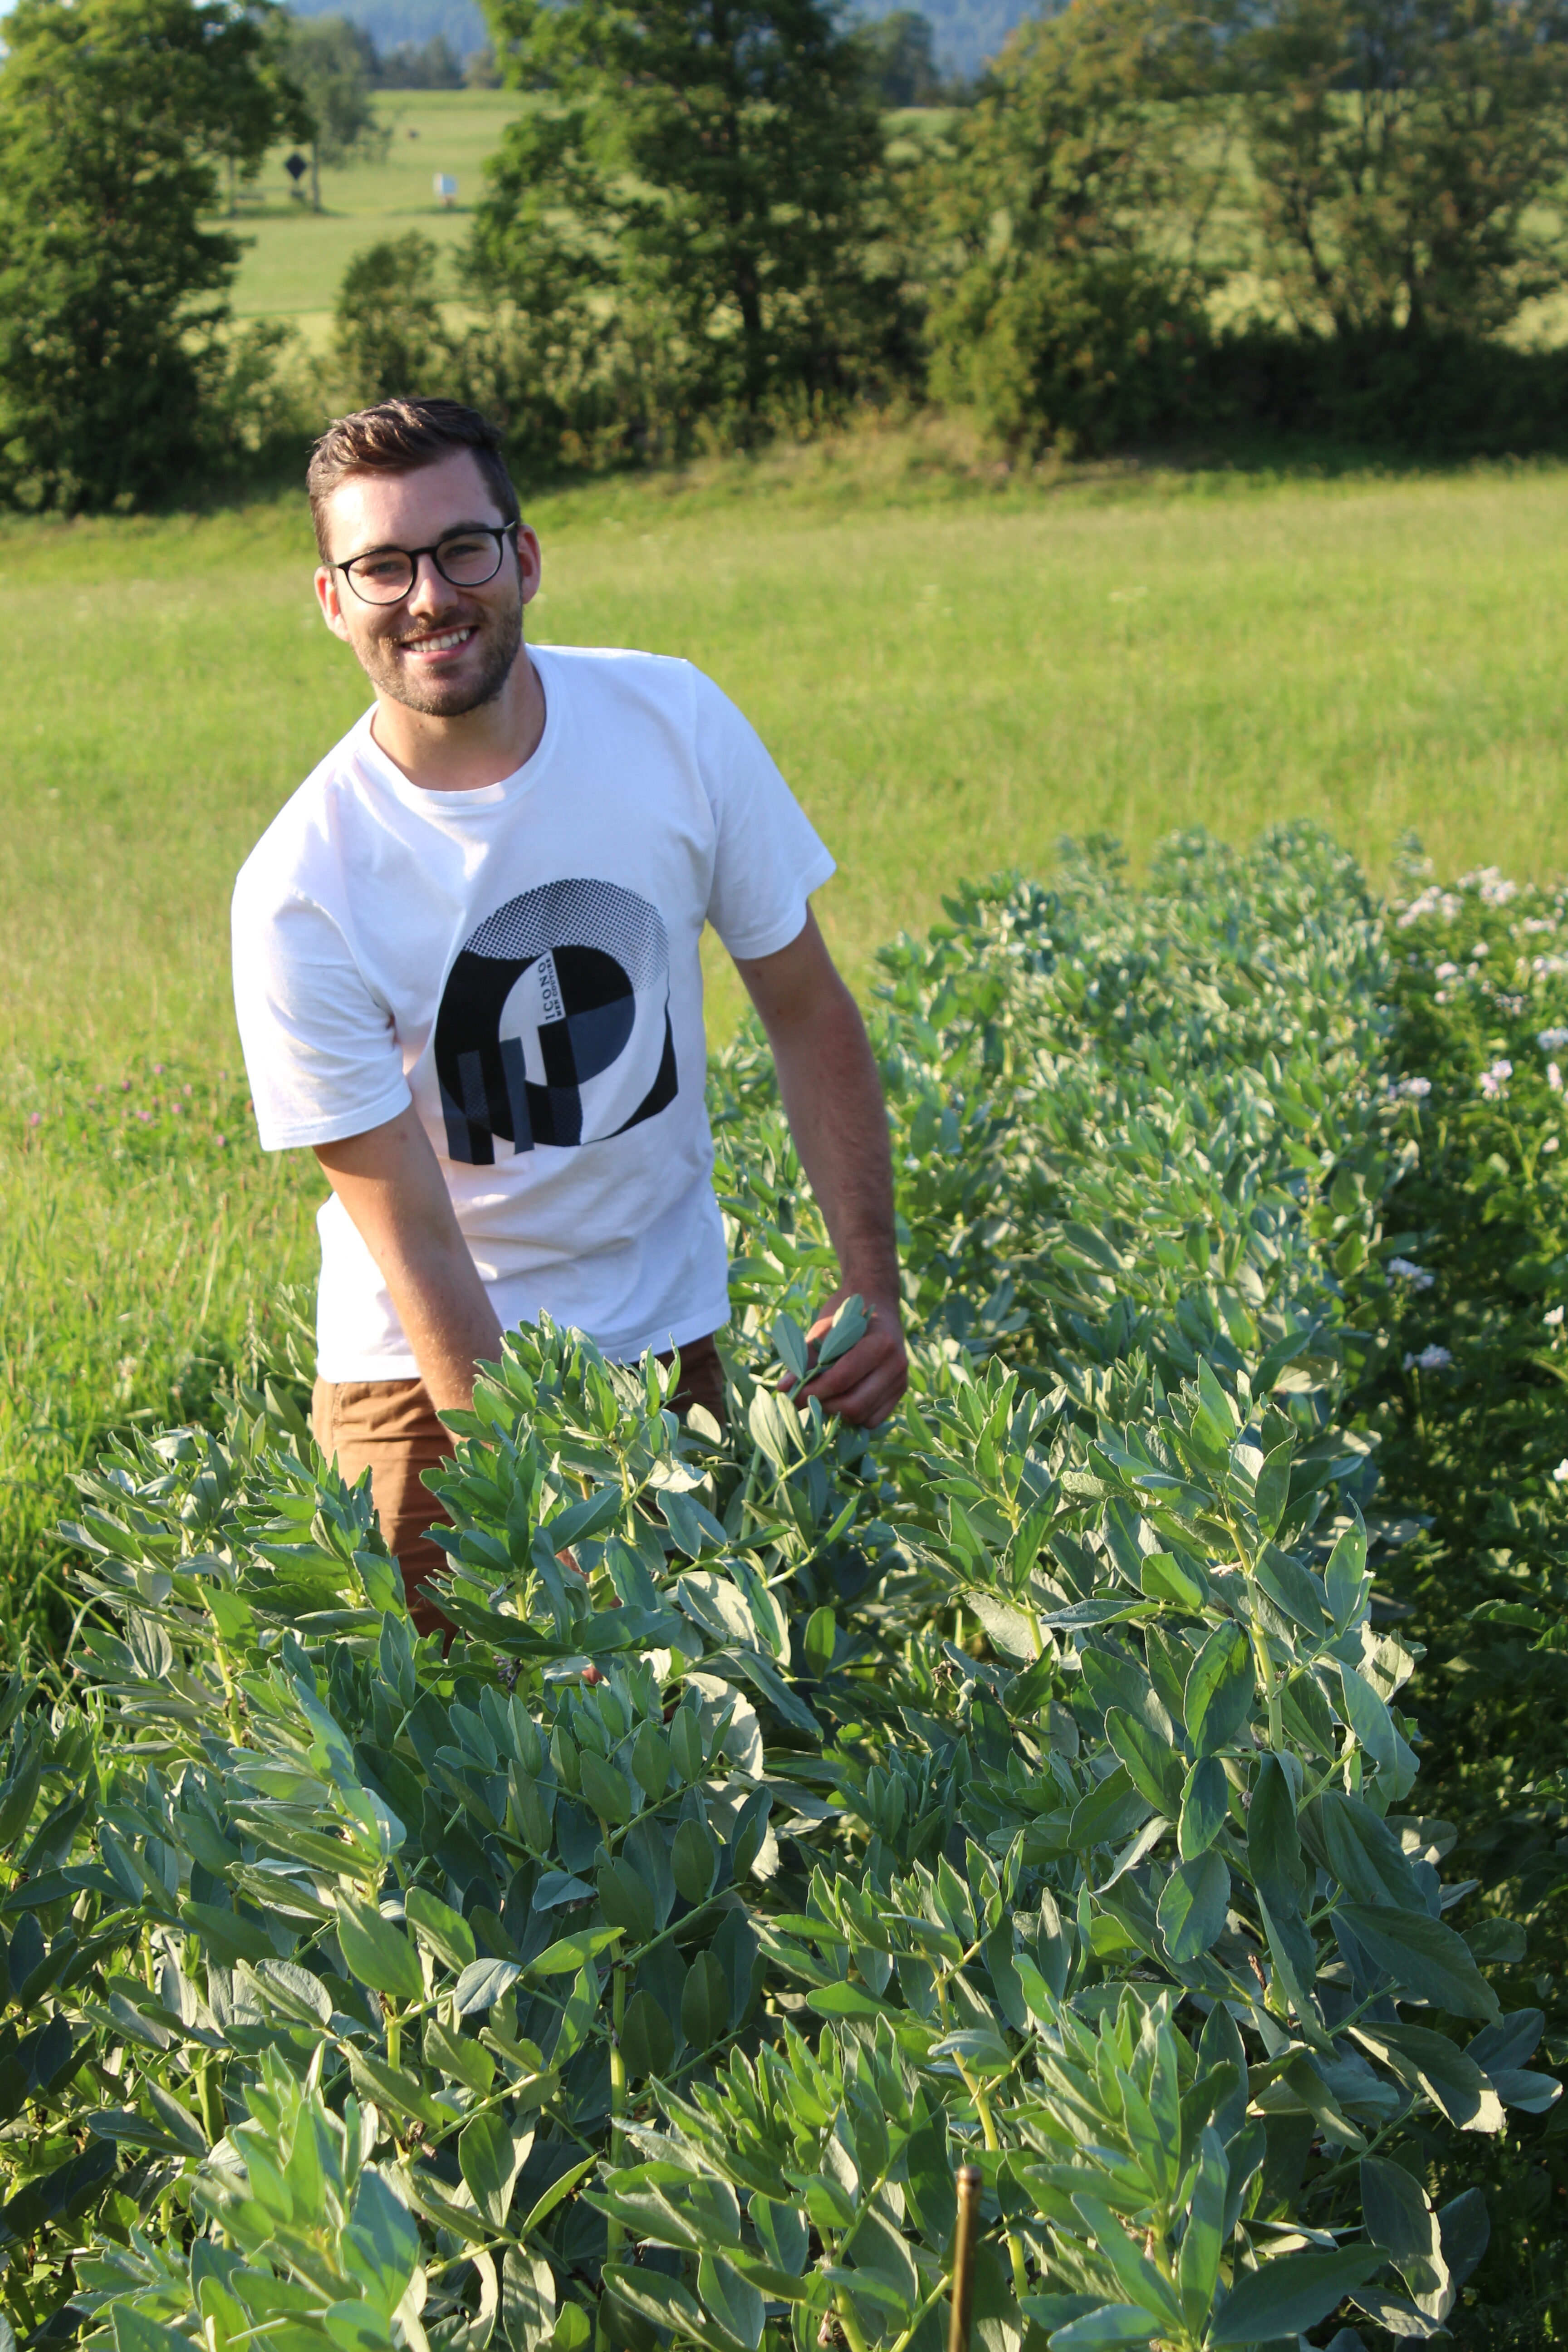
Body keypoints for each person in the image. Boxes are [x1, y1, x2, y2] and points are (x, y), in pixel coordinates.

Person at [231, 396, 907, 1630]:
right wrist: (537, 1517)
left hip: (666, 1342)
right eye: (381, 565)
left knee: (687, 1763)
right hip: (427, 1394)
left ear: (524, 557)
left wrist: (874, 1284)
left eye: (461, 549)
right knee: (453, 1778)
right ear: (334, 600)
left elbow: (808, 1012)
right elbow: (418, 1237)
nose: (428, 596)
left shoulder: (674, 724)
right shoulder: (301, 887)